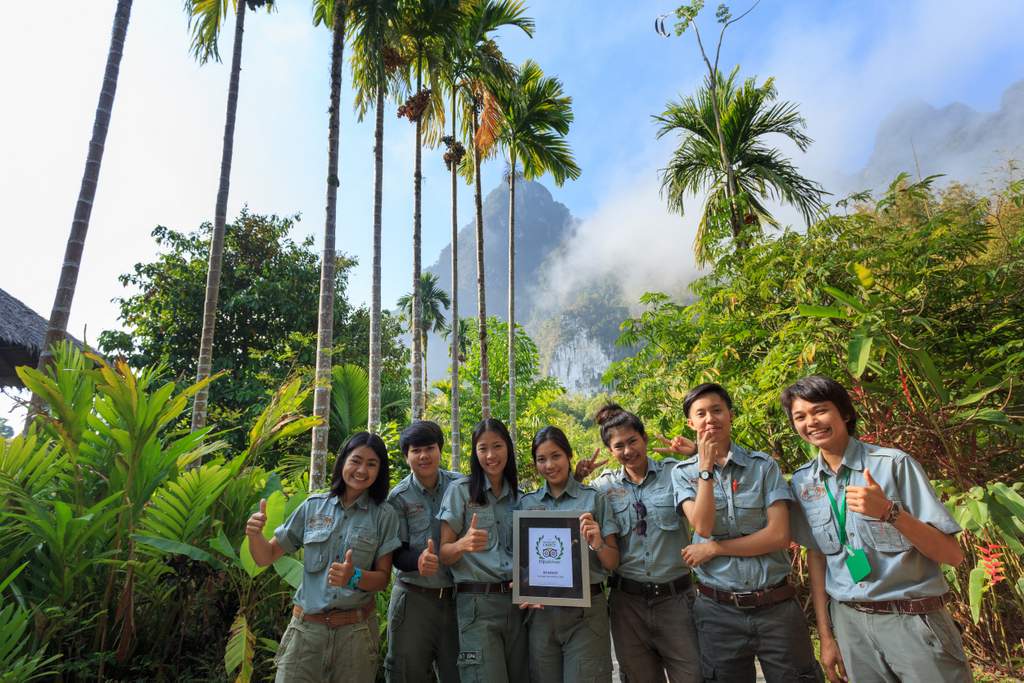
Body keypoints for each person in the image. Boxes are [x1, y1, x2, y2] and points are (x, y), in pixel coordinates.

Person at [782, 375, 970, 683]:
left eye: (820, 410)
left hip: (912, 620)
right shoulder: (804, 482)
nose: (811, 422)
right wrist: (827, 637)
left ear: (844, 412)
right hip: (850, 624)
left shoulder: (893, 465)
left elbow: (952, 555)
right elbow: (817, 557)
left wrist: (888, 512)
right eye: (800, 416)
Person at [671, 383, 822, 682]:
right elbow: (702, 526)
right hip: (718, 611)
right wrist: (705, 469)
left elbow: (779, 536)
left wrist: (715, 549)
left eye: (717, 410)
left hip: (776, 606)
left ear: (731, 415)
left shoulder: (763, 467)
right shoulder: (682, 473)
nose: (710, 419)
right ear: (691, 423)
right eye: (700, 413)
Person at [246, 431, 400, 683]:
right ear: (343, 463)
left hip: (355, 634)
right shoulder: (312, 506)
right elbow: (266, 556)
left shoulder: (384, 515)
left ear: (379, 471)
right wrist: (255, 536)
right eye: (356, 460)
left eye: (371, 464)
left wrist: (355, 576)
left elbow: (383, 579)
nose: (362, 470)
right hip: (306, 633)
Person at [586, 403, 702, 683]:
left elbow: (717, 483)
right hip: (628, 605)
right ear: (611, 451)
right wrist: (576, 477)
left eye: (632, 441)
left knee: (692, 675)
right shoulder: (603, 488)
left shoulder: (677, 473)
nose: (628, 451)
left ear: (645, 438)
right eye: (618, 446)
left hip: (676, 601)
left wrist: (698, 454)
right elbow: (569, 508)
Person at [519, 426, 620, 682]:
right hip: (542, 615)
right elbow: (520, 563)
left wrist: (597, 541)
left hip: (586, 614)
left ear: (569, 456)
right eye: (541, 459)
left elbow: (612, 561)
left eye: (556, 456)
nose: (549, 465)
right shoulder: (527, 505)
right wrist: (522, 585)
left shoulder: (593, 500)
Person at [437, 418, 527, 682]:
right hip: (477, 604)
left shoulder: (520, 498)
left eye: (497, 446)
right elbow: (444, 552)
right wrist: (463, 544)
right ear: (474, 453)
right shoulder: (460, 492)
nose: (491, 455)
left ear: (508, 448)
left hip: (518, 605)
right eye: (482, 448)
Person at [384, 420, 463, 682]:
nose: (423, 456)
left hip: (456, 600)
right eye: (415, 450)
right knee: (406, 673)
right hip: (413, 600)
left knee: (458, 673)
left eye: (429, 448)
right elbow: (396, 551)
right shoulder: (399, 497)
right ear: (406, 455)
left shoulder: (461, 486)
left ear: (440, 450)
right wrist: (417, 560)